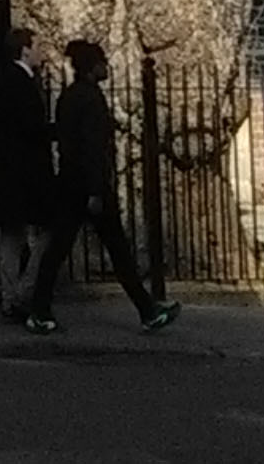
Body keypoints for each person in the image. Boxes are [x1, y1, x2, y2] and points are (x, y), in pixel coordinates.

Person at [24, 37, 180, 333]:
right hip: (89, 187)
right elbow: (92, 147)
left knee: (61, 249)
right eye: (102, 63)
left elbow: (67, 142)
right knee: (113, 251)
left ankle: (41, 309)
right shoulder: (91, 98)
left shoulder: (68, 96)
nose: (107, 67)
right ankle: (146, 310)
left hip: (70, 182)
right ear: (92, 68)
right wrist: (96, 190)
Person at [0, 25, 56, 316]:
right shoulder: (22, 83)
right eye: (37, 46)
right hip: (26, 171)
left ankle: (9, 296)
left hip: (6, 170)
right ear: (25, 50)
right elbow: (31, 128)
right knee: (49, 232)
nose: (41, 52)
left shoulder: (0, 81)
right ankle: (23, 291)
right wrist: (56, 131)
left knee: (11, 237)